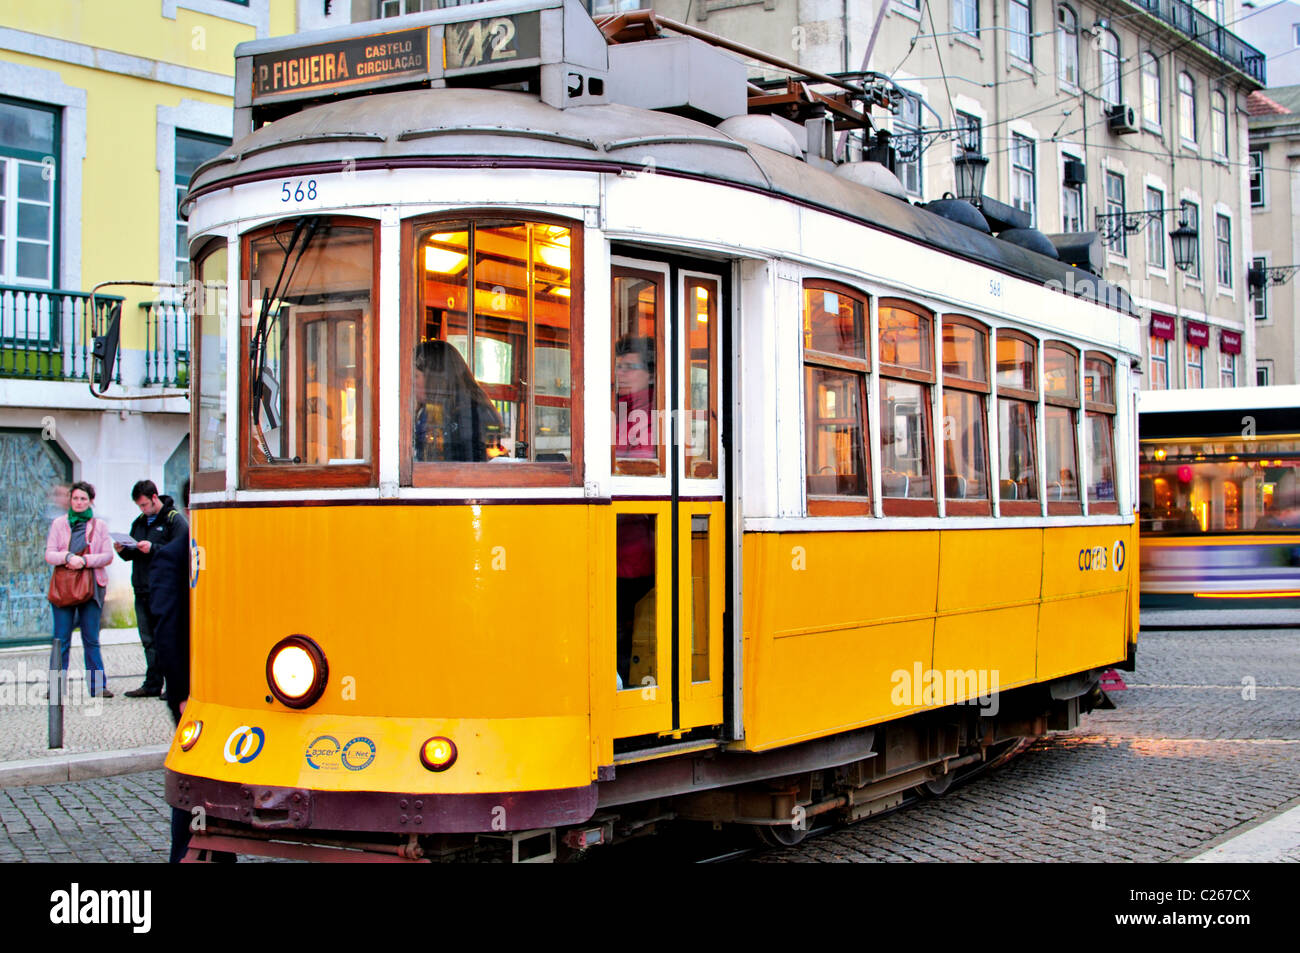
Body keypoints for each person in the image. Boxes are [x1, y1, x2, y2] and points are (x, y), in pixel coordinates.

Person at [115, 480, 187, 698]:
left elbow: (181, 550)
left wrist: (153, 548)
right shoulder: (139, 522)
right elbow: (132, 552)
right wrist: (122, 550)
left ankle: (174, 685)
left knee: (167, 638)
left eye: (145, 504)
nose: (143, 509)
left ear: (155, 498)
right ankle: (153, 683)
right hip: (142, 588)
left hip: (165, 589)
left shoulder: (174, 520)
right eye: (140, 506)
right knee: (148, 640)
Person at [44, 481, 114, 697]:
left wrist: (84, 561)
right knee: (61, 638)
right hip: (64, 587)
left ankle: (98, 686)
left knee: (91, 638)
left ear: (90, 501)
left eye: (83, 498)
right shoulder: (59, 523)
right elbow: (49, 554)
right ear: (70, 500)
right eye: (75, 498)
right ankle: (55, 688)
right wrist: (67, 557)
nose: (79, 502)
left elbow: (107, 556)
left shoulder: (99, 525)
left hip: (92, 587)